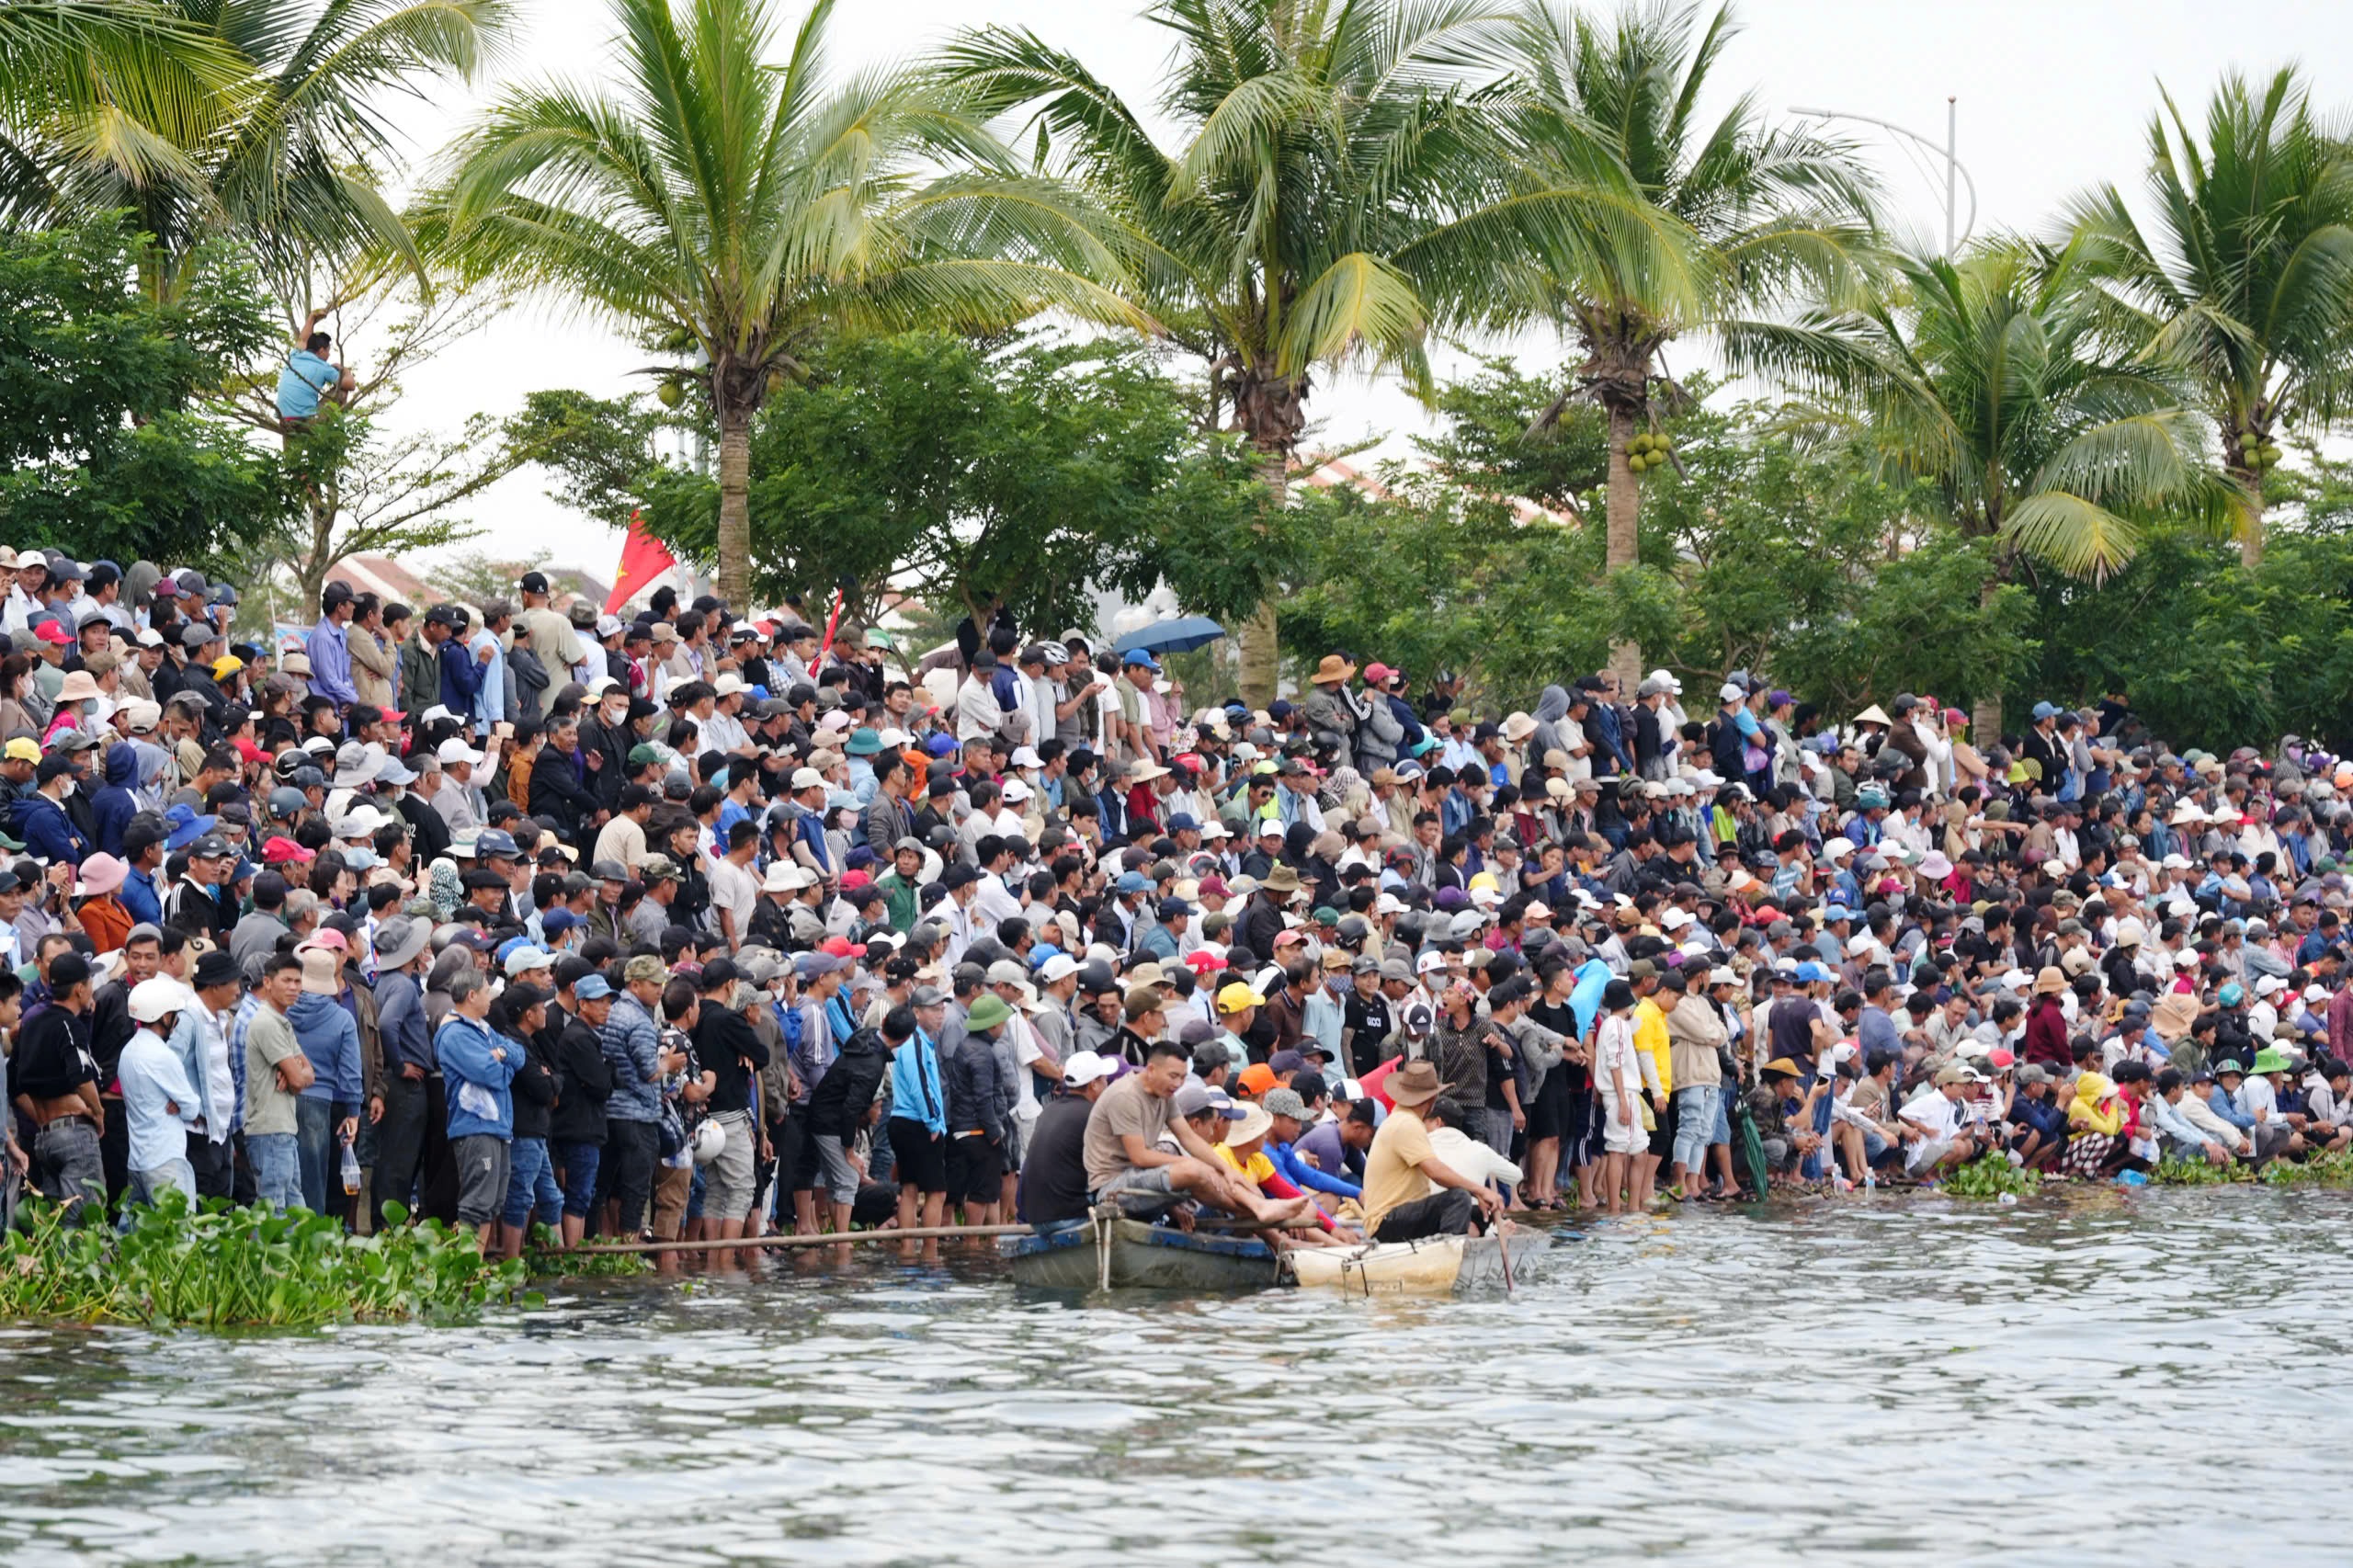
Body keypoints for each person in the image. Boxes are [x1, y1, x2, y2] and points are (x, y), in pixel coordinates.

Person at [1080, 1037, 1310, 1224]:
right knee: (1194, 1169)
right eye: (1173, 1076)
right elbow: (1139, 1156)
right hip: (1111, 1187)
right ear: (1151, 1069)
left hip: (1139, 1178)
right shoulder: (1126, 1095)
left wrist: (1225, 1169)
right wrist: (1196, 1166)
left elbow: (1189, 1138)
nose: (1178, 1084)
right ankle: (1254, 1209)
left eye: (1182, 1077)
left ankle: (1256, 1208)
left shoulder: (1164, 1094)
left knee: (1217, 1168)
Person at [1358, 1060, 1504, 1239]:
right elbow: (1436, 1171)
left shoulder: (1403, 1118)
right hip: (1386, 1221)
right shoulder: (1406, 1123)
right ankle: (1446, 1254)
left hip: (1399, 1215)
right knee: (1458, 1199)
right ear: (1432, 1100)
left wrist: (1478, 1194)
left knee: (1476, 1212)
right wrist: (1480, 1190)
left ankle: (1470, 1237)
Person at [438, 967, 523, 1249]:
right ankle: (467, 1267)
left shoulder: (484, 1029)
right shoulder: (454, 1034)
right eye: (487, 993)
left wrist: (502, 1056)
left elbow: (519, 1055)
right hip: (475, 1127)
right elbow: (491, 1074)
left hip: (498, 1126)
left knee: (492, 1204)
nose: (492, 999)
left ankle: (477, 1264)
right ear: (472, 996)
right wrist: (502, 1062)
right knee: (476, 1203)